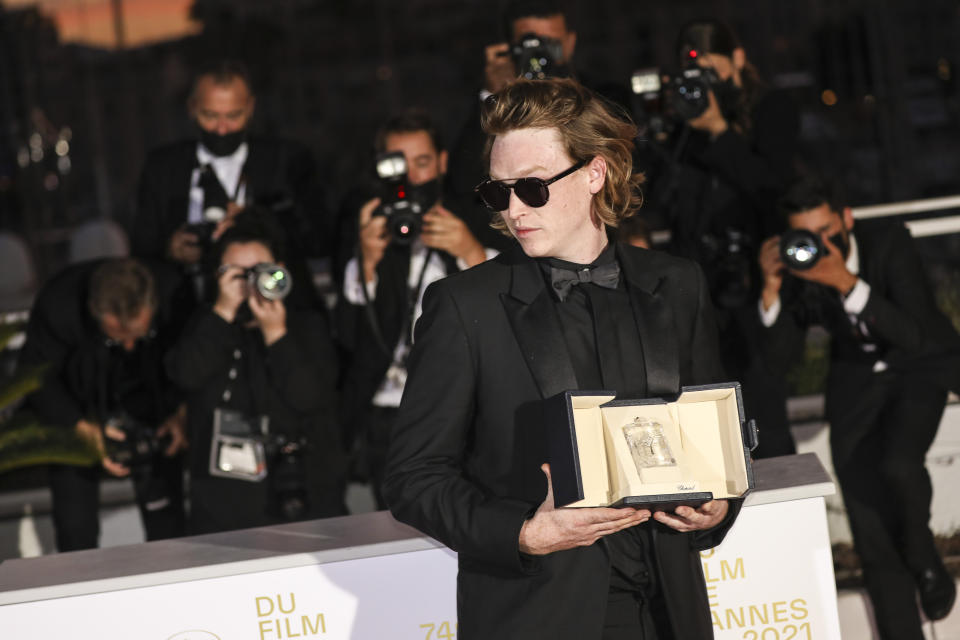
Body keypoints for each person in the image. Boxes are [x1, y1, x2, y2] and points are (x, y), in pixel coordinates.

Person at [383, 78, 740, 639]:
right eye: (499, 192)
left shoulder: (676, 284)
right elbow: (413, 477)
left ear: (594, 173)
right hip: (540, 613)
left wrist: (717, 506)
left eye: (532, 187)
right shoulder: (464, 306)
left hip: (672, 611)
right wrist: (524, 532)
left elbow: (714, 434)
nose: (514, 210)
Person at [757, 176, 960, 638]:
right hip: (856, 383)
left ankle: (923, 553)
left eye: (829, 232)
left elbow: (913, 334)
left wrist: (847, 283)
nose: (821, 246)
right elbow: (778, 362)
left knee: (898, 463)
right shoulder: (798, 269)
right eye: (809, 238)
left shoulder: (890, 242)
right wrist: (770, 291)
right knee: (868, 522)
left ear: (846, 219)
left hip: (920, 366)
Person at [641, 19, 800, 459]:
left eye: (714, 72)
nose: (704, 87)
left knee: (765, 411)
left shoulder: (772, 109)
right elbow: (653, 197)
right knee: (704, 413)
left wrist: (718, 130)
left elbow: (772, 189)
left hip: (753, 278)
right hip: (695, 285)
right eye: (696, 77)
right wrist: (660, 131)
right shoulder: (680, 125)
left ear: (740, 60)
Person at [336, 110, 498, 508]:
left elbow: (509, 316)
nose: (410, 176)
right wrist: (366, 262)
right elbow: (345, 335)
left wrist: (470, 252)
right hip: (387, 409)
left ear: (442, 163)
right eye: (398, 165)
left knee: (468, 514)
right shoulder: (366, 224)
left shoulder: (476, 218)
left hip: (463, 405)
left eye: (422, 163)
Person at [165, 210, 346, 534]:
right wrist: (222, 311)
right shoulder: (207, 325)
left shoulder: (306, 326)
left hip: (297, 495)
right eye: (236, 274)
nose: (250, 283)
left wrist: (276, 334)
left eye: (261, 272)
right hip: (223, 504)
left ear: (282, 272)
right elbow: (185, 374)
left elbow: (309, 398)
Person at [132, 60, 328, 320]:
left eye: (233, 116)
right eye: (210, 115)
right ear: (192, 108)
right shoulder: (163, 167)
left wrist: (255, 222)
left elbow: (318, 238)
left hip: (278, 309)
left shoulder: (287, 160)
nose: (222, 128)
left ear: (250, 108)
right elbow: (141, 249)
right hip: (191, 314)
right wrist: (172, 249)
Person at [19, 258, 186, 551]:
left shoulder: (173, 289)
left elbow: (194, 361)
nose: (130, 347)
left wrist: (182, 412)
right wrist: (80, 426)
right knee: (75, 530)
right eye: (117, 339)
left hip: (153, 412)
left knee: (170, 530)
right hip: (76, 413)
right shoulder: (59, 303)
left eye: (141, 335)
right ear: (96, 316)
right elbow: (35, 378)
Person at [445, 0, 578, 213]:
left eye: (549, 44)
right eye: (529, 43)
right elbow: (462, 182)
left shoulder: (602, 95)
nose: (538, 55)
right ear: (509, 49)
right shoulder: (493, 103)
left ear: (570, 43)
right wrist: (493, 95)